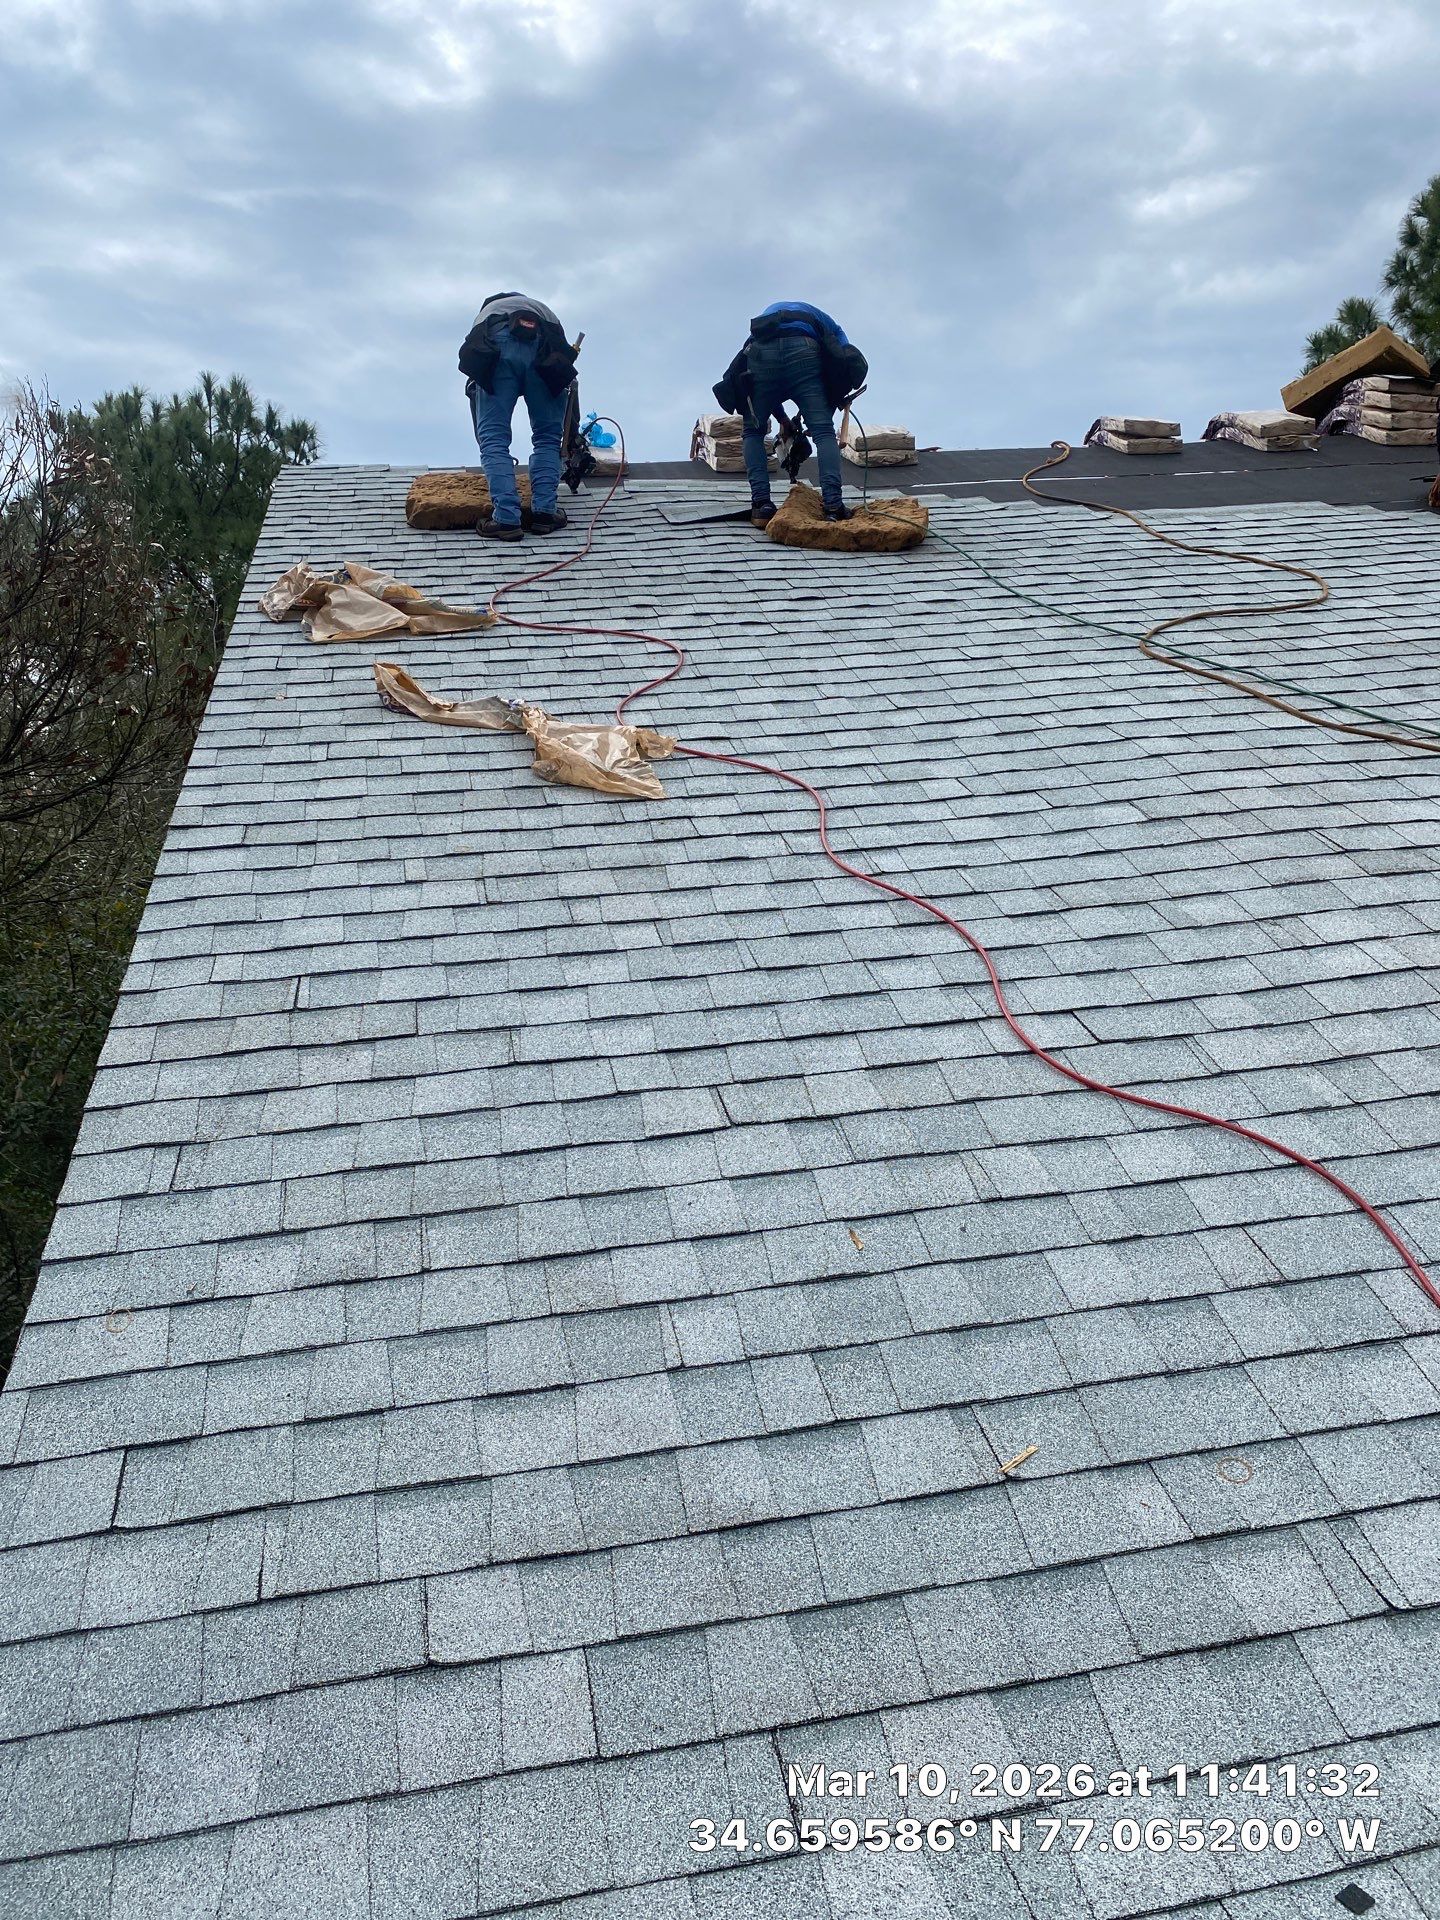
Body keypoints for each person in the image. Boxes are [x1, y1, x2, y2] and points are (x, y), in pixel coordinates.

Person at [713, 302, 868, 529]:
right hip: (804, 352)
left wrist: (783, 420)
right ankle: (833, 506)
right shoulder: (831, 326)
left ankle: (762, 506)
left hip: (761, 354)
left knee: (753, 432)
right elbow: (841, 359)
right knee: (824, 433)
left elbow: (769, 385)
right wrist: (829, 404)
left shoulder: (770, 318)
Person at [458, 292, 579, 542]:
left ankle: (506, 519)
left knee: (493, 438)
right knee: (547, 437)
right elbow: (562, 353)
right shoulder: (542, 309)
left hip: (498, 345)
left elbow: (476, 352)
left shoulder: (489, 312)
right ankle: (545, 513)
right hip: (545, 346)